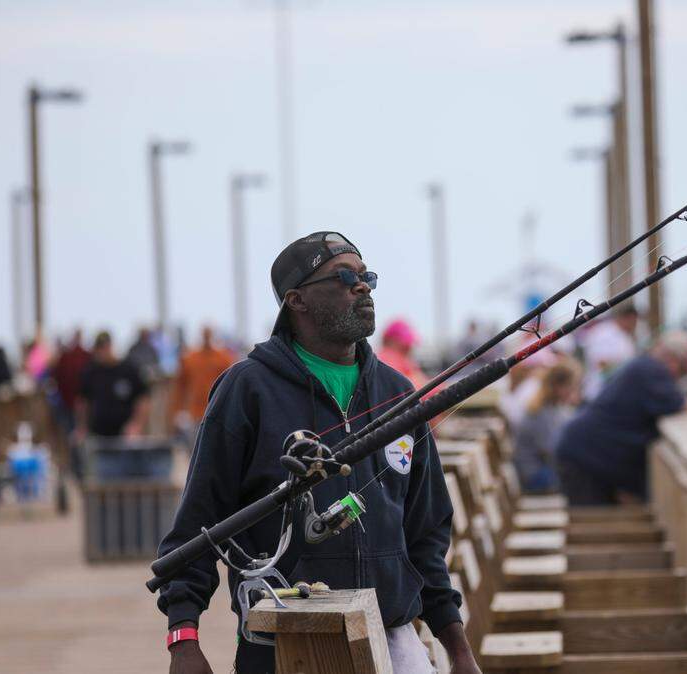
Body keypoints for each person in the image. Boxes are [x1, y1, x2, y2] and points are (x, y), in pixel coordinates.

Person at [158, 232, 478, 674]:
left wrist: (457, 647)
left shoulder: (398, 393)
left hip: (393, 637)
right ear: (297, 300)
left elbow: (426, 534)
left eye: (367, 277)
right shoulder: (246, 390)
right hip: (282, 642)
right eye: (345, 277)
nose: (362, 287)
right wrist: (183, 639)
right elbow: (198, 523)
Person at [554, 331, 687, 505]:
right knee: (589, 522)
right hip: (584, 457)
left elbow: (674, 400)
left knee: (595, 519)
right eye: (682, 370)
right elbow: (675, 403)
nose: (678, 376)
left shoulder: (645, 366)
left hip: (586, 453)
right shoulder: (652, 370)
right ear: (673, 361)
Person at [513, 358, 581, 493]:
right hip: (535, 475)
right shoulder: (539, 412)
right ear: (557, 386)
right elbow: (550, 450)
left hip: (546, 468)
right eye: (570, 386)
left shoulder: (558, 408)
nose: (573, 391)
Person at [170, 325, 237, 447]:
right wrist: (178, 411)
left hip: (217, 410)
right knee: (195, 447)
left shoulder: (223, 358)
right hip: (195, 412)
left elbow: (232, 385)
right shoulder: (190, 358)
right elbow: (180, 387)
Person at [75, 331, 150, 440]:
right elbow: (83, 402)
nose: (102, 352)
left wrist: (136, 425)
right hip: (98, 435)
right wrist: (82, 427)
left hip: (125, 436)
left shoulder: (129, 370)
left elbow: (143, 399)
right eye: (99, 348)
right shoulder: (91, 372)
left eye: (104, 347)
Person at [580, 304, 639, 400]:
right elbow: (601, 363)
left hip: (617, 393)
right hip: (598, 392)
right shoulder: (602, 333)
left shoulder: (626, 336)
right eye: (634, 321)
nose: (635, 325)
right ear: (627, 318)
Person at [376, 317, 427, 388]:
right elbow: (411, 388)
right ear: (391, 341)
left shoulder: (404, 362)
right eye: (405, 344)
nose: (409, 348)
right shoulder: (388, 360)